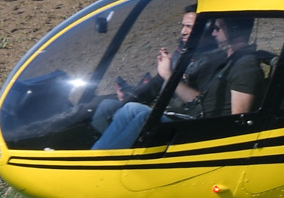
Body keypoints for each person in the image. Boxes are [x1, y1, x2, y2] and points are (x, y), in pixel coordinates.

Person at [90, 11, 237, 150]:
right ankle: (95, 154)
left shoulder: (214, 60)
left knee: (145, 118)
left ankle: (104, 161)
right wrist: (129, 96)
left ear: (206, 29)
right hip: (169, 111)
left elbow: (201, 104)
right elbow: (156, 85)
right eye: (183, 26)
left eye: (189, 27)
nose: (183, 31)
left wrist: (169, 76)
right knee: (121, 107)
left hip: (191, 122)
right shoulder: (185, 54)